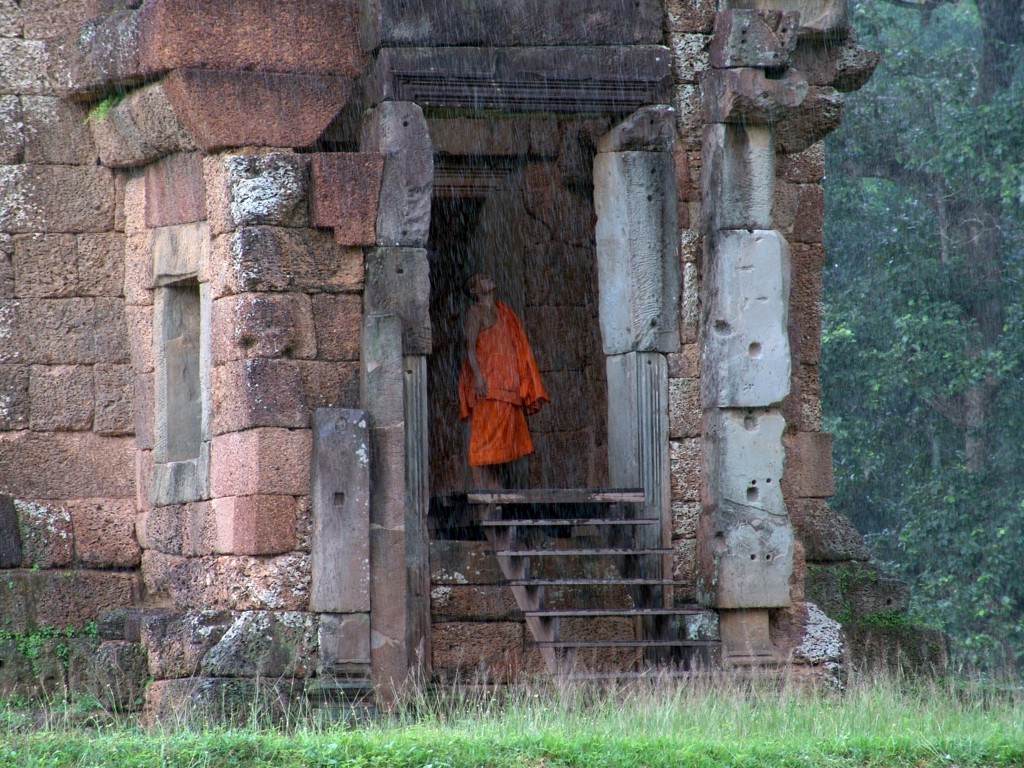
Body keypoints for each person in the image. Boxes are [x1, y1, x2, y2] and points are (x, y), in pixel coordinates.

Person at [459, 273, 549, 489]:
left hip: (507, 389)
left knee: (500, 451)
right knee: (482, 443)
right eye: (482, 278)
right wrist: (478, 378)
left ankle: (495, 495)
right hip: (487, 388)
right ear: (475, 290)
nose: (489, 277)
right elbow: (470, 347)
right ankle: (481, 495)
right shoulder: (475, 312)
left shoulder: (505, 312)